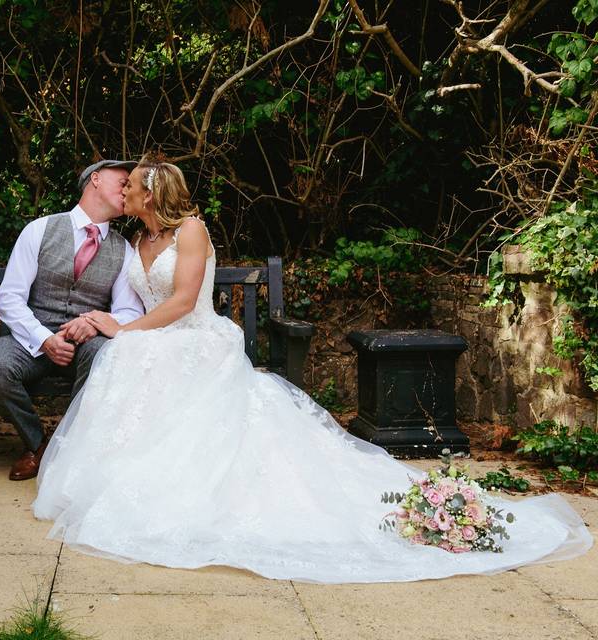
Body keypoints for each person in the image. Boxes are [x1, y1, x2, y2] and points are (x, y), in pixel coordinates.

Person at [32, 160, 592, 583]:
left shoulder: (192, 232)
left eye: (130, 185)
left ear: (151, 193)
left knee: (131, 352)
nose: (122, 190)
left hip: (195, 339)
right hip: (159, 338)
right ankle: (133, 473)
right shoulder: (138, 238)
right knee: (127, 357)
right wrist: (117, 326)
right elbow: (136, 300)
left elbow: (180, 302)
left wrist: (124, 331)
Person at [0, 160, 145, 481]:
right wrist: (44, 338)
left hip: (84, 345)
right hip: (31, 342)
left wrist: (96, 321)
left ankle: (69, 447)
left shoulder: (124, 250)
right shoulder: (39, 230)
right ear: (95, 179)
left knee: (105, 354)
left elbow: (129, 313)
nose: (127, 190)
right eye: (122, 182)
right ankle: (39, 444)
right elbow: (9, 297)